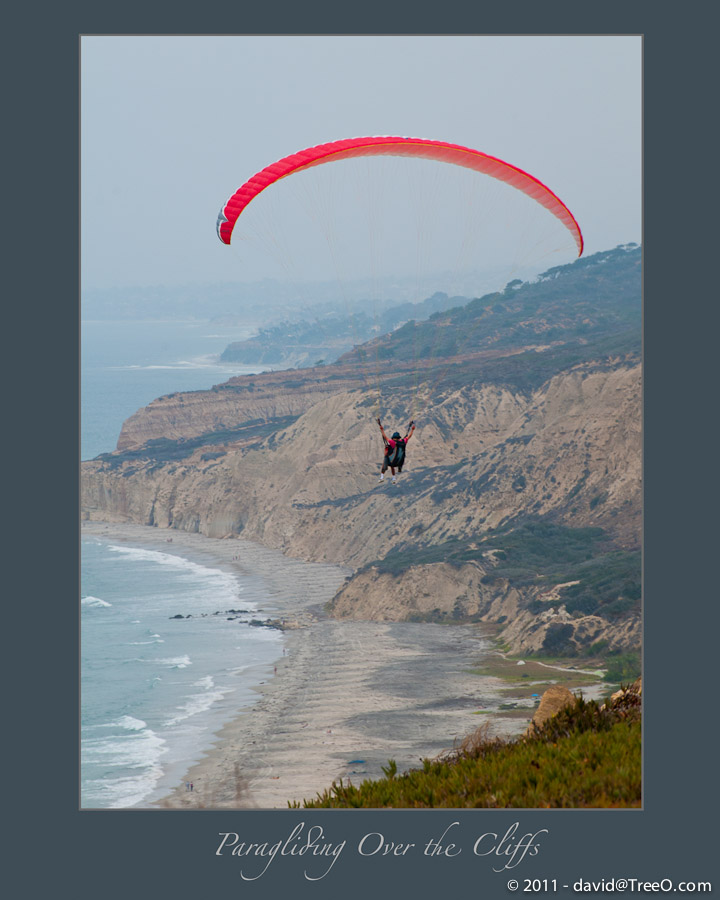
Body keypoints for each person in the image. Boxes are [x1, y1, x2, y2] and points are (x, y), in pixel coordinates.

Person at [377, 418, 415, 484]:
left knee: (386, 459)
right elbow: (409, 436)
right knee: (392, 466)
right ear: (399, 437)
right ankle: (394, 479)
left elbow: (385, 437)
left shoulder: (392, 442)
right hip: (399, 461)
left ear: (394, 438)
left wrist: (382, 430)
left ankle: (381, 477)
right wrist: (412, 430)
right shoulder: (403, 441)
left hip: (392, 459)